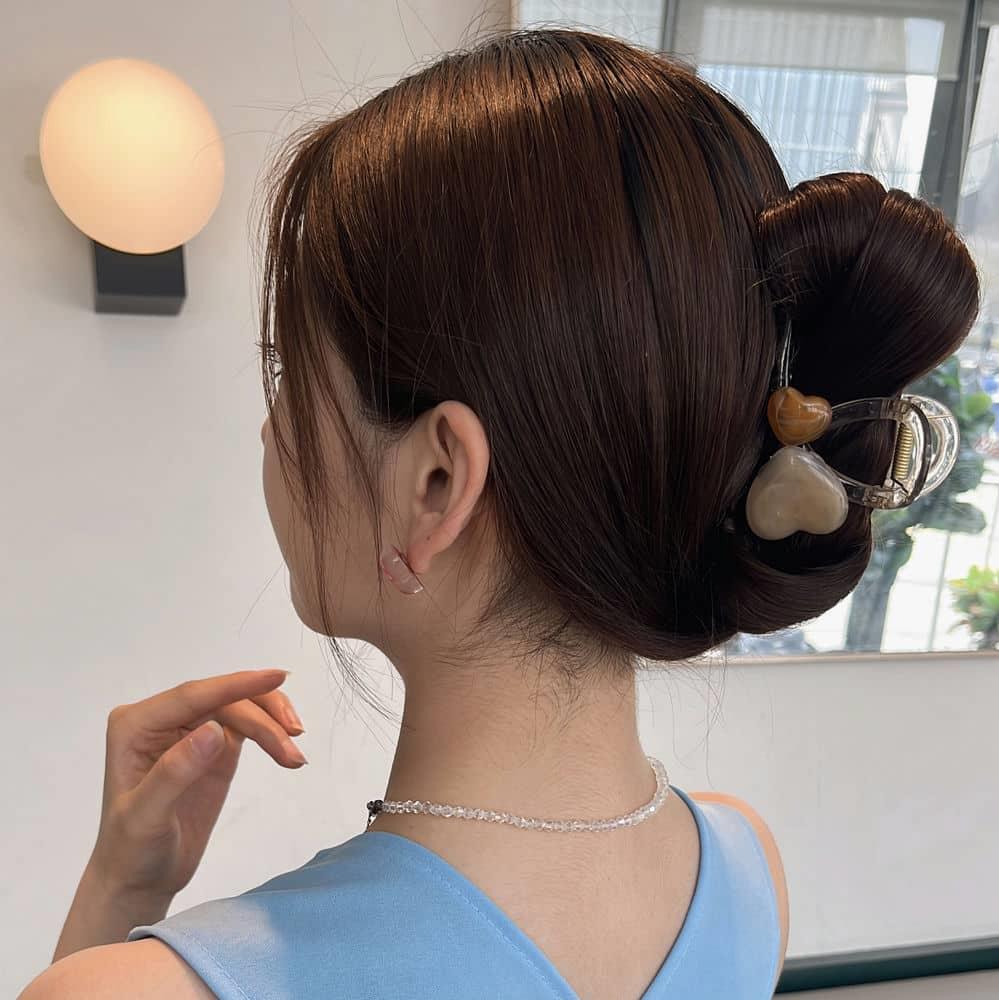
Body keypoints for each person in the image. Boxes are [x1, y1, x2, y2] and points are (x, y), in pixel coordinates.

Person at [19, 24, 979, 1000]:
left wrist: (118, 890)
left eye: (288, 374)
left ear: (437, 482)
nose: (271, 432)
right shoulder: (744, 870)